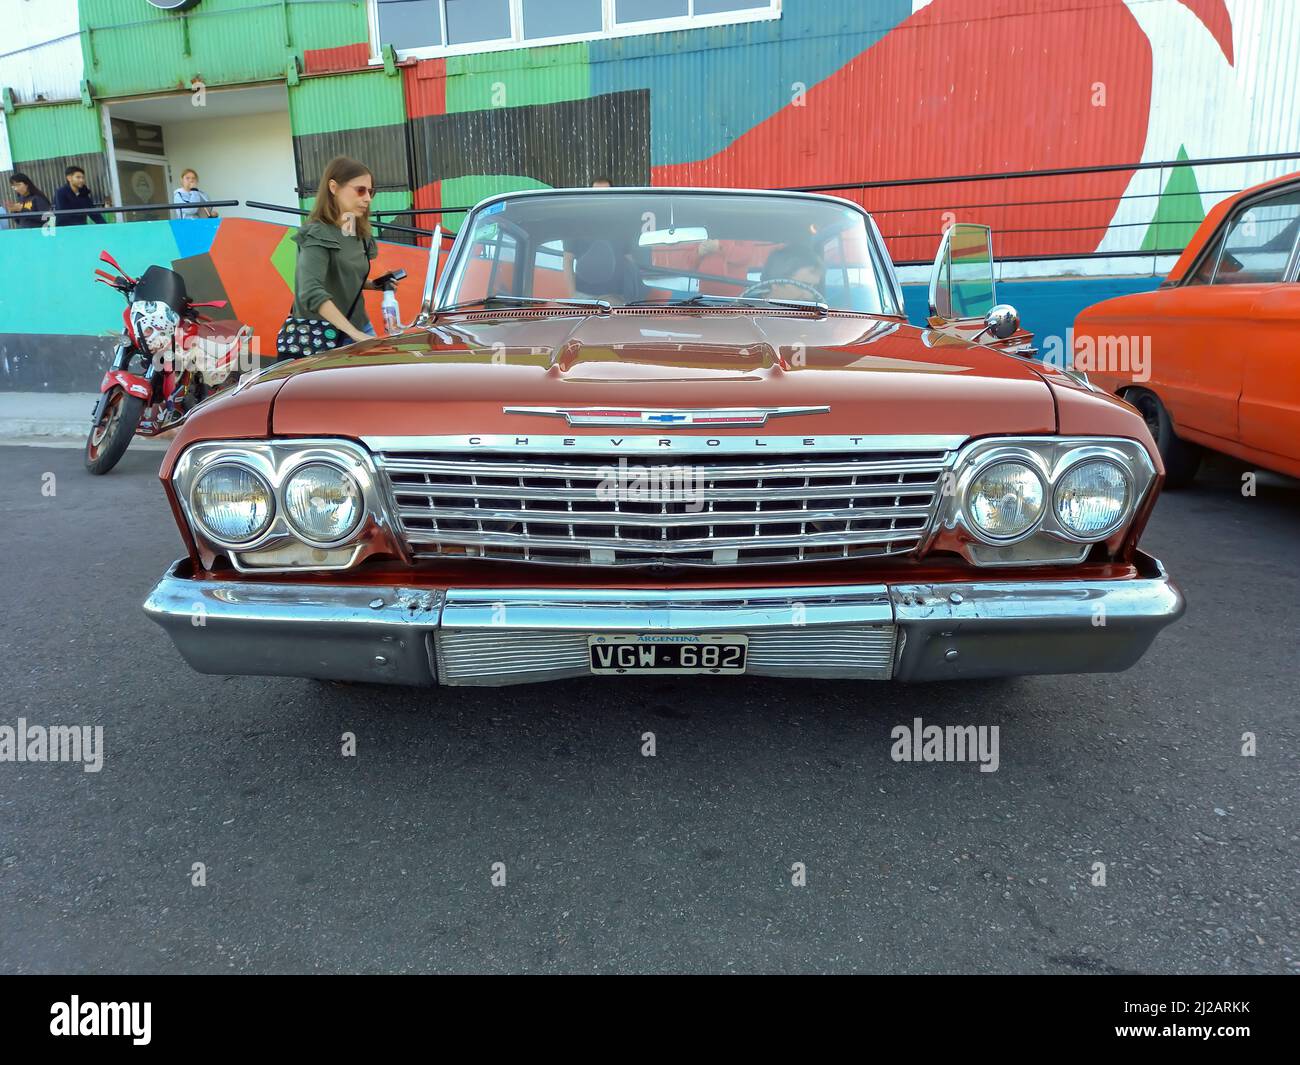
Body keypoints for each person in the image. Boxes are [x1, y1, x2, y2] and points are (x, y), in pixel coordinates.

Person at [287, 156, 393, 349]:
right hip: (321, 335)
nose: (367, 198)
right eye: (360, 190)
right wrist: (355, 334)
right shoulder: (317, 234)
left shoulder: (357, 232)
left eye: (370, 192)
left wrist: (374, 285)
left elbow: (341, 276)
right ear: (334, 188)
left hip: (359, 325)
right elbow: (310, 291)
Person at [759, 244, 826, 300]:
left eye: (814, 288)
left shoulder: (815, 313)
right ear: (776, 283)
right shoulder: (750, 310)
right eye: (802, 286)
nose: (809, 296)